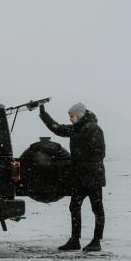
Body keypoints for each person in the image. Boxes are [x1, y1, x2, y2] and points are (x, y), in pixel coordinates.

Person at [39, 102, 106, 252]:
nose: (70, 119)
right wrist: (43, 114)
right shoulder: (75, 129)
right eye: (69, 116)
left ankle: (96, 241)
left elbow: (99, 153)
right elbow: (57, 128)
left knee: (97, 209)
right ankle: (75, 240)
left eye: (72, 116)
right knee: (74, 207)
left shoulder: (93, 129)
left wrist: (84, 166)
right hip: (80, 178)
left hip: (93, 178)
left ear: (80, 115)